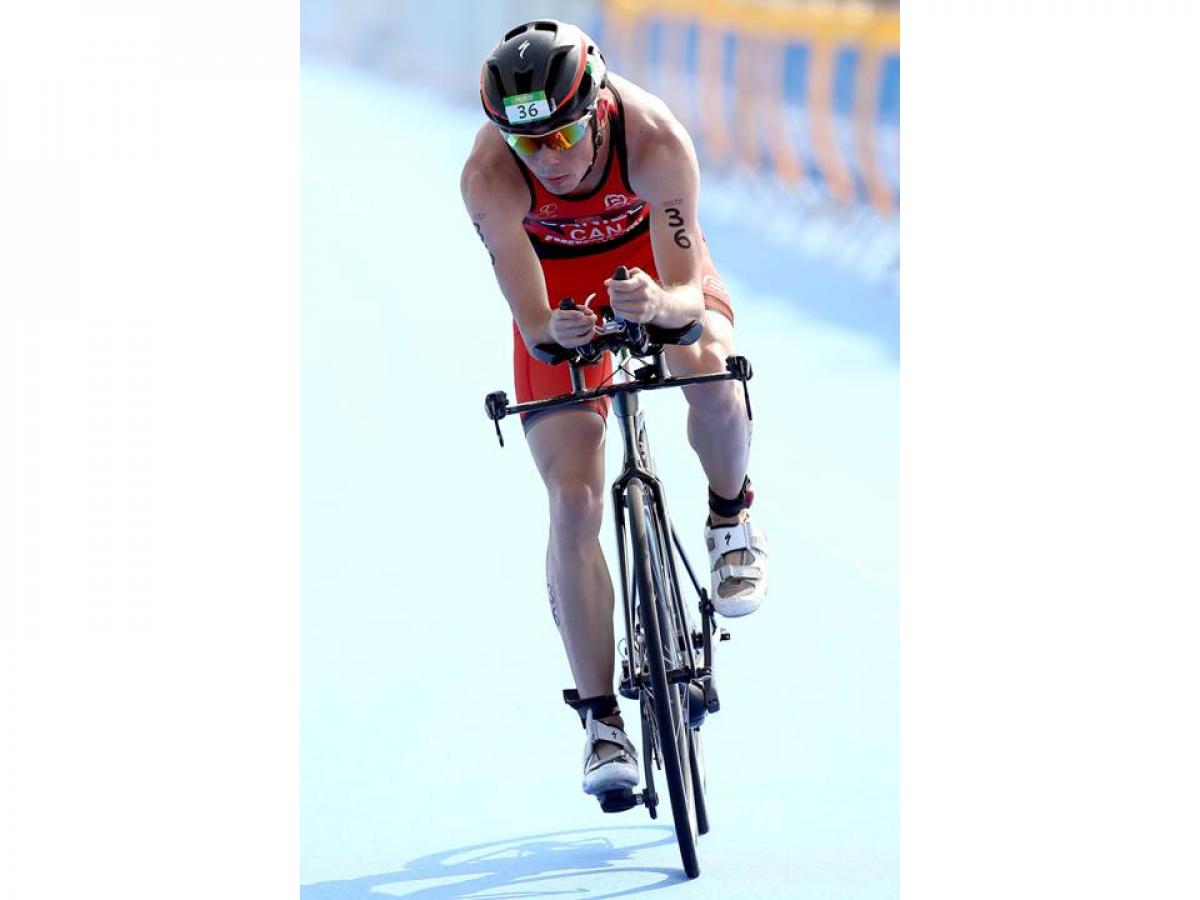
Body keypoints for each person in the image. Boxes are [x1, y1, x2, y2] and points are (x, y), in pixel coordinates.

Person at [460, 19, 769, 803]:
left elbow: (688, 297)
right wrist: (553, 329)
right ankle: (600, 721)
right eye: (530, 145)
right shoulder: (489, 175)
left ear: (597, 111)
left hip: (656, 273)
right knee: (571, 503)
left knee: (710, 371)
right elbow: (531, 319)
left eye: (563, 135)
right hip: (559, 300)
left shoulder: (656, 140)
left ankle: (731, 516)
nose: (550, 160)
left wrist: (656, 303)